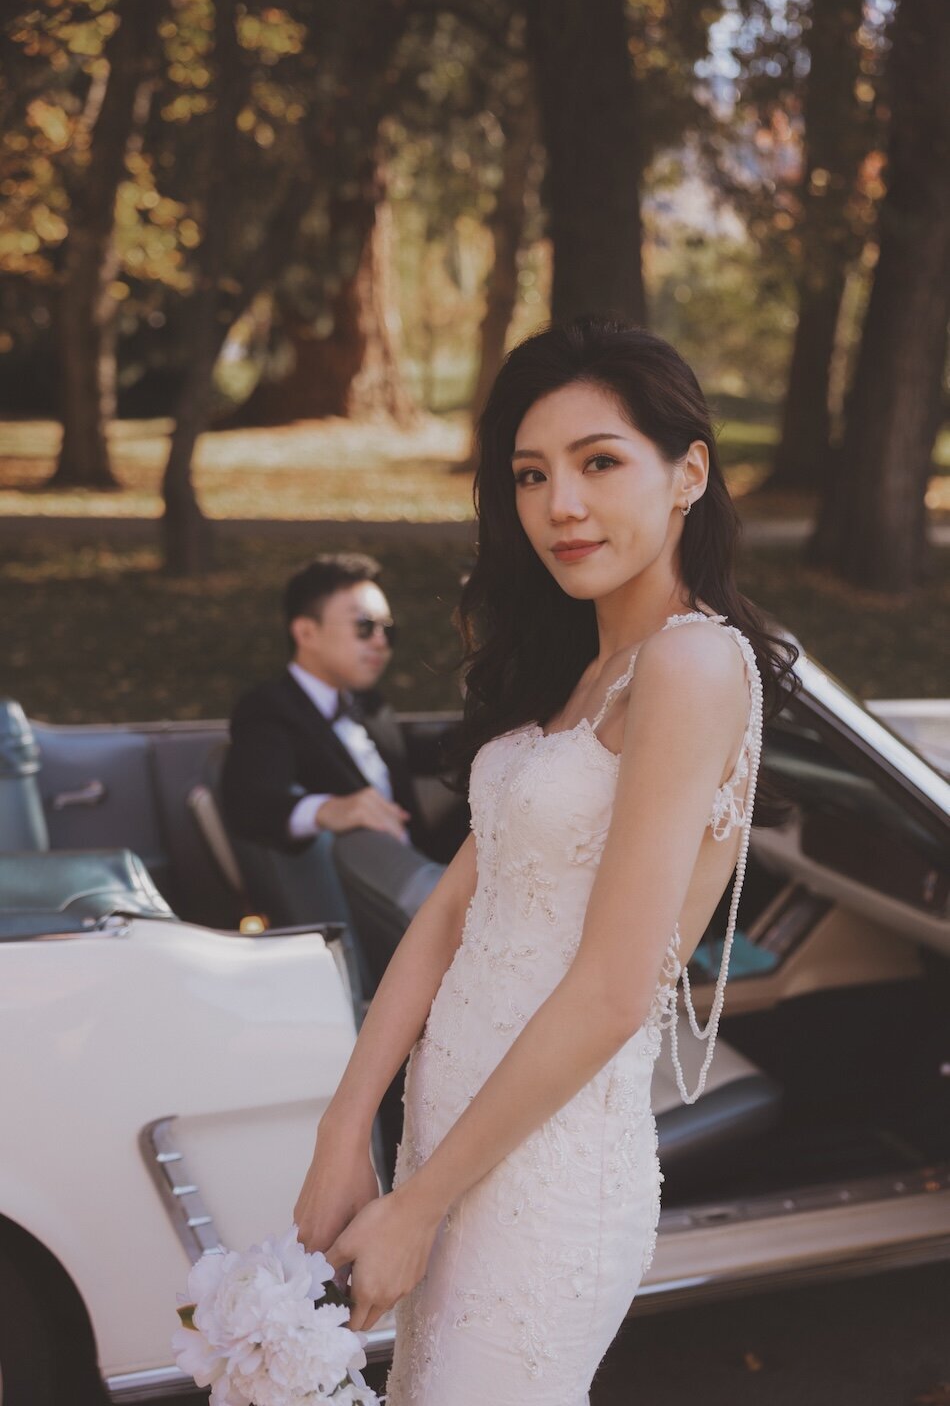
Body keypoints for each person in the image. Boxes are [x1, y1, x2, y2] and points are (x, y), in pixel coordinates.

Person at [294, 316, 801, 1405]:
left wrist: (418, 1201)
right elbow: (447, 912)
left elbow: (617, 987)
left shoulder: (692, 663)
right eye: (530, 474)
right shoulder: (588, 667)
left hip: (545, 1165)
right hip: (449, 1133)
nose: (558, 504)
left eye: (599, 462)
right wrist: (349, 1126)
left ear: (687, 473)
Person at [220, 553, 450, 991]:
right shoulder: (268, 709)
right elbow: (250, 801)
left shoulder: (370, 706)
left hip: (417, 875)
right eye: (364, 627)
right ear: (306, 632)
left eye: (388, 630)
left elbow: (418, 753)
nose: (381, 642)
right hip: (371, 907)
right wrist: (330, 809)